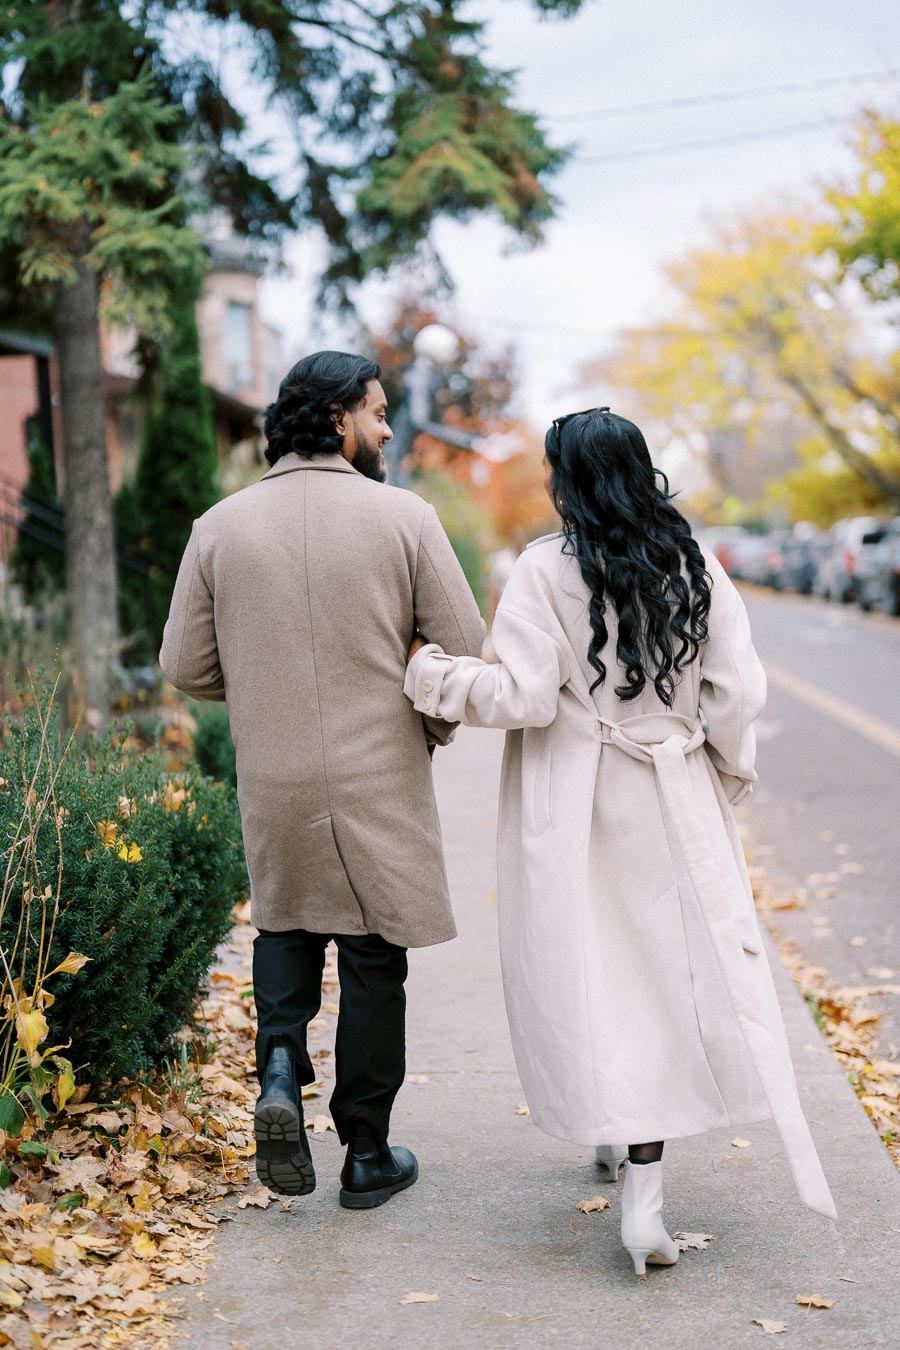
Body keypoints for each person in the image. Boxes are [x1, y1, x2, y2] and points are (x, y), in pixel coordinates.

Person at [404, 407, 835, 1275]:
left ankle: (627, 1161)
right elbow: (735, 695)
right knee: (663, 983)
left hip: (578, 806)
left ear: (568, 480)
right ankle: (641, 1185)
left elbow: (522, 698)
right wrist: (723, 774)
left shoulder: (540, 571)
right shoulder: (697, 564)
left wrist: (429, 673)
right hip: (672, 793)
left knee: (593, 979)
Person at [160, 351, 485, 1209]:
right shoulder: (404, 517)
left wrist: (266, 689)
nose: (384, 427)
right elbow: (465, 647)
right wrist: (434, 719)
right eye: (378, 412)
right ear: (339, 416)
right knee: (376, 955)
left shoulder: (219, 526)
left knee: (287, 926)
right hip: (379, 769)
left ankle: (277, 1066)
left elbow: (183, 664)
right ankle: (367, 1154)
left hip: (275, 774)